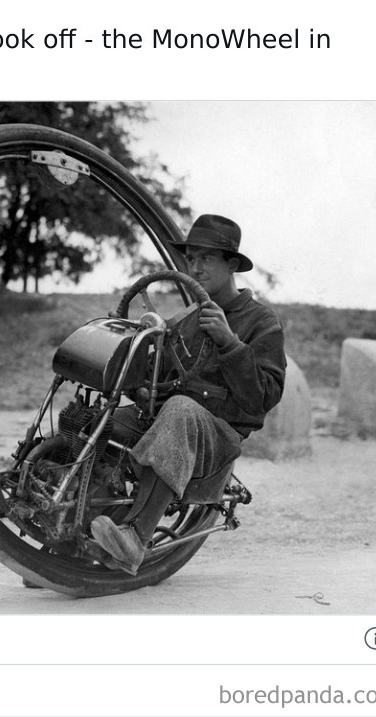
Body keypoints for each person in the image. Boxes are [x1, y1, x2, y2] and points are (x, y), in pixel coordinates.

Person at [90, 214, 287, 574]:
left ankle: (135, 537)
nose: (195, 268)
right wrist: (136, 360)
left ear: (231, 265)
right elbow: (159, 380)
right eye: (191, 259)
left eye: (206, 259)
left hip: (217, 436)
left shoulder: (261, 321)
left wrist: (230, 343)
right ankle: (63, 545)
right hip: (169, 420)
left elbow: (263, 399)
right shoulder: (187, 319)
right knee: (95, 422)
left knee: (181, 408)